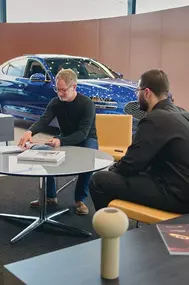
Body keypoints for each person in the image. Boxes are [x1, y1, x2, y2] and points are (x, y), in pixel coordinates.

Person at [89, 69, 189, 214]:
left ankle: (110, 232)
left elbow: (130, 165)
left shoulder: (154, 119)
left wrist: (112, 169)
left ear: (147, 92)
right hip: (181, 187)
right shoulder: (180, 113)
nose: (137, 95)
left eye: (138, 91)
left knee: (99, 180)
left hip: (175, 195)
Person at [18, 68, 98, 215]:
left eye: (63, 90)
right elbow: (44, 120)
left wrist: (60, 140)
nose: (60, 93)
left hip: (87, 139)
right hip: (65, 136)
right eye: (57, 89)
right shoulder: (56, 102)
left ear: (74, 87)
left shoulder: (87, 104)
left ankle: (80, 200)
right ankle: (50, 196)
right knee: (44, 153)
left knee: (89, 158)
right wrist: (30, 131)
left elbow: (82, 133)